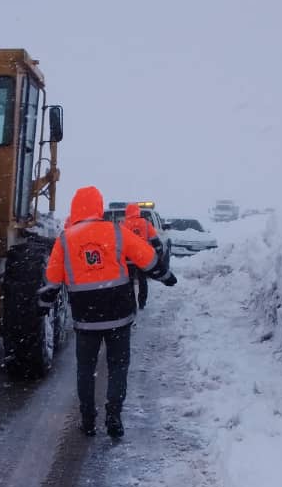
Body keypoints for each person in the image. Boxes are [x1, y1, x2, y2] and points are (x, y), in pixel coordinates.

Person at [38, 186, 178, 438]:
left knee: (85, 370)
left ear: (75, 208)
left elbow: (52, 282)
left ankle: (88, 420)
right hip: (119, 315)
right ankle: (114, 416)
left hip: (86, 318)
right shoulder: (116, 232)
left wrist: (43, 306)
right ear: (98, 206)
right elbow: (146, 258)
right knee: (118, 367)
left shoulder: (65, 240)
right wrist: (166, 276)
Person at [122, 203, 164, 310]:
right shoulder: (146, 223)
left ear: (127, 212)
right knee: (142, 281)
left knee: (129, 282)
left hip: (128, 259)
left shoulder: (122, 224)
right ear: (138, 211)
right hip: (142, 258)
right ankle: (142, 303)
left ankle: (131, 303)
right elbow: (155, 240)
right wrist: (158, 254)